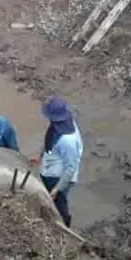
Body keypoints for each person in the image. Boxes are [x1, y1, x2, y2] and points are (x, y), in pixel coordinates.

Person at [29, 95, 83, 228]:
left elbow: (71, 168)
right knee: (54, 199)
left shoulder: (68, 141)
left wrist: (57, 189)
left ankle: (64, 224)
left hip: (59, 177)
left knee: (60, 203)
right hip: (51, 169)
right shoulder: (60, 124)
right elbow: (51, 139)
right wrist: (41, 155)